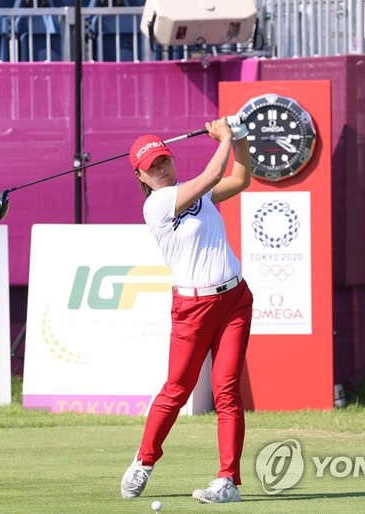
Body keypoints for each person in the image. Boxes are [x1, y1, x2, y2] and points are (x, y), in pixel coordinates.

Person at [120, 116, 254, 504]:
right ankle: (145, 460)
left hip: (234, 301)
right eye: (152, 167)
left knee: (227, 390)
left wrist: (240, 138)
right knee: (176, 390)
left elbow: (240, 178)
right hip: (193, 309)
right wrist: (225, 137)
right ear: (142, 177)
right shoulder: (158, 205)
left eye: (164, 161)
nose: (161, 169)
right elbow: (213, 175)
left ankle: (228, 480)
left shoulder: (193, 193)